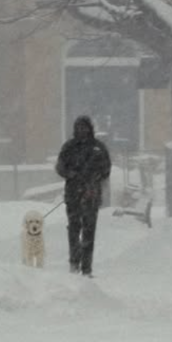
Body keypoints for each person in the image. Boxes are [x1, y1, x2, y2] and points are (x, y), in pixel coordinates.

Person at [56, 115, 111, 276]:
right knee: (74, 229)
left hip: (91, 194)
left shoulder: (98, 148)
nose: (82, 130)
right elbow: (60, 167)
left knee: (89, 230)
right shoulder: (69, 147)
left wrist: (94, 181)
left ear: (90, 128)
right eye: (78, 127)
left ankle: (86, 268)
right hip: (73, 194)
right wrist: (71, 174)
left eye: (84, 127)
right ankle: (74, 263)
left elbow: (106, 169)